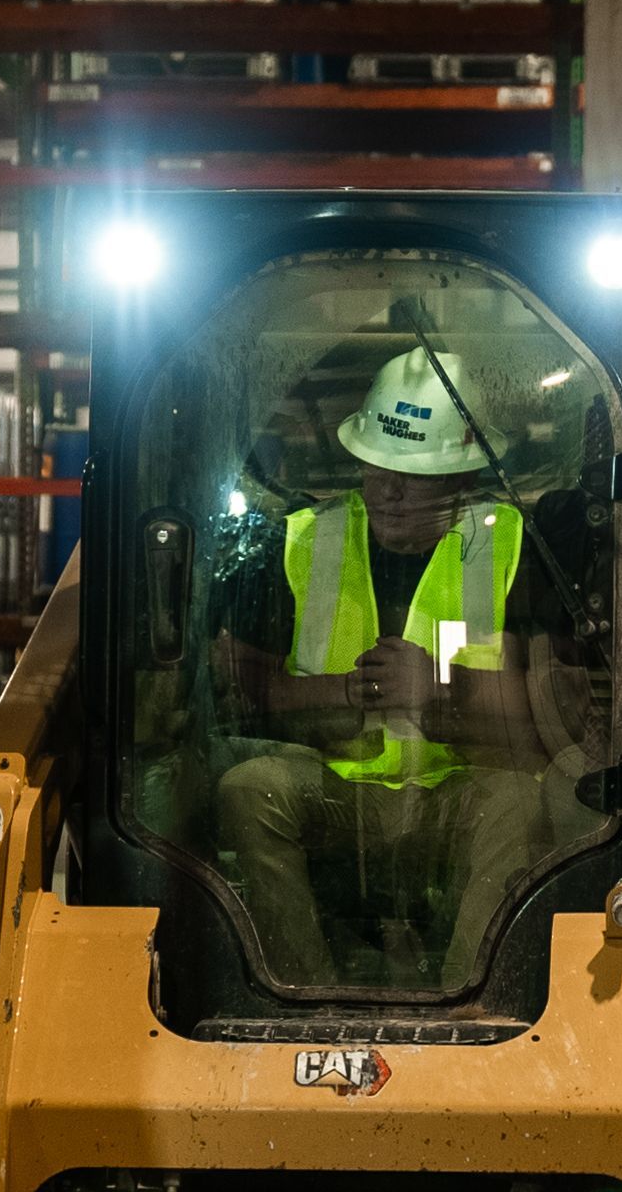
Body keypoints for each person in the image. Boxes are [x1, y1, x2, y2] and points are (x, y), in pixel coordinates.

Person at [214, 342, 551, 994]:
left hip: (458, 791)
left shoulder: (509, 546)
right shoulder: (309, 537)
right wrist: (340, 693)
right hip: (337, 787)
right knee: (249, 788)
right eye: (376, 466)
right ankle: (301, 998)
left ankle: (468, 1004)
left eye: (414, 473)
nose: (390, 490)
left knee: (521, 802)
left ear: (462, 474)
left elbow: (543, 714)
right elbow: (240, 680)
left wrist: (441, 693)